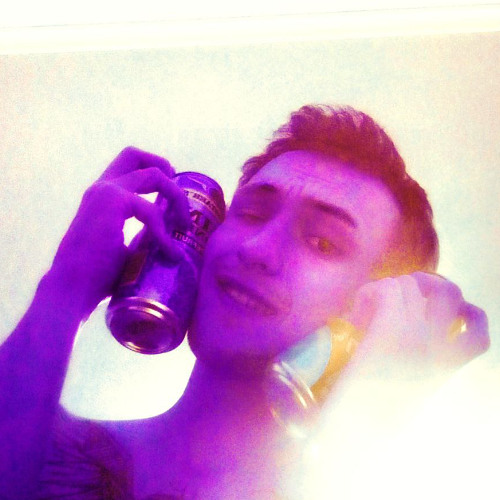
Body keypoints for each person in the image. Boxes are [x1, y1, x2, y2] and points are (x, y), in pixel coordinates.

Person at [0, 105, 489, 499]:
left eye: (323, 242)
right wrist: (63, 290)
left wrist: (368, 413)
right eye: (252, 214)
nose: (255, 249)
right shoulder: (50, 450)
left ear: (379, 312)